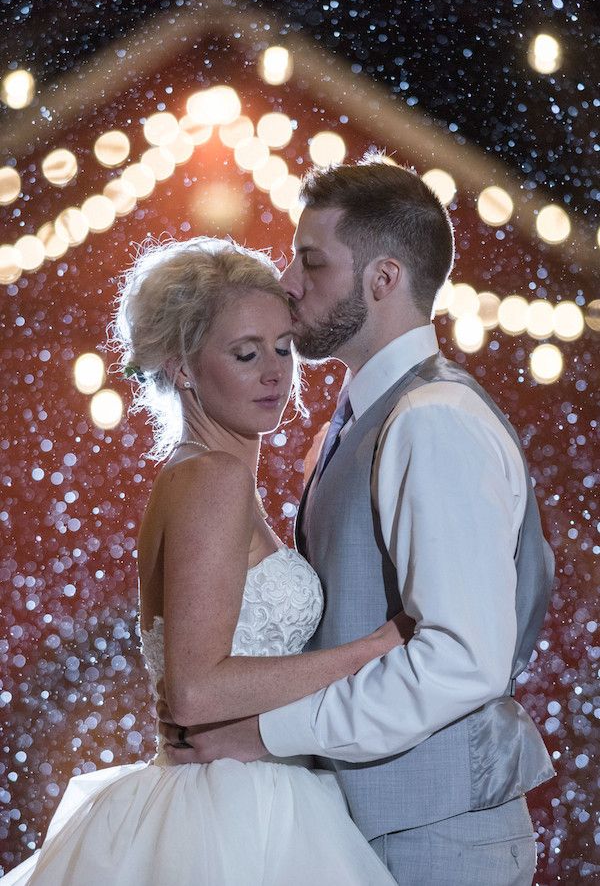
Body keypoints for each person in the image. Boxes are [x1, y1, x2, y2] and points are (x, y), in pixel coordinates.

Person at [160, 159, 556, 886]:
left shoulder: (431, 418)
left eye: (312, 262)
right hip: (360, 831)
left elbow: (462, 659)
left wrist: (270, 734)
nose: (288, 280)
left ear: (382, 278)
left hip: (435, 838)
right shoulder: (361, 420)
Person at [2, 236, 408, 885]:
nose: (275, 372)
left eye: (283, 347)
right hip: (235, 819)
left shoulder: (204, 475)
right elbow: (194, 689)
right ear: (184, 368)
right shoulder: (212, 479)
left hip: (240, 801)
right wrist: (376, 648)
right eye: (246, 353)